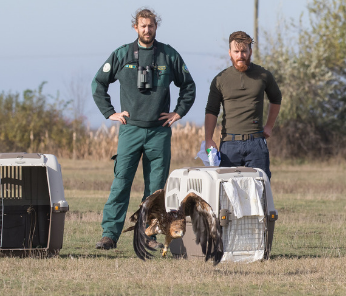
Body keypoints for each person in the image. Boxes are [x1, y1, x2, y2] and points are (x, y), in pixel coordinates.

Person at [91, 7, 196, 249]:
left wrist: (179, 112)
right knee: (121, 182)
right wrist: (110, 113)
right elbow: (99, 83)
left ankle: (149, 235)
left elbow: (188, 86)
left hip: (159, 132)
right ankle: (109, 235)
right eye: (143, 26)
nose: (147, 30)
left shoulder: (168, 55)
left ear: (156, 27)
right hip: (131, 130)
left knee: (155, 189)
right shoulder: (122, 54)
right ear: (135, 27)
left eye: (151, 26)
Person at [205, 31, 282, 180]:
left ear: (250, 51)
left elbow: (276, 98)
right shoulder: (220, 79)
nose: (240, 55)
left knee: (260, 190)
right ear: (230, 53)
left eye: (244, 51)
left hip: (256, 143)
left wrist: (269, 126)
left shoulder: (264, 75)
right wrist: (208, 138)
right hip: (229, 144)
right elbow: (211, 110)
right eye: (236, 51)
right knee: (228, 191)